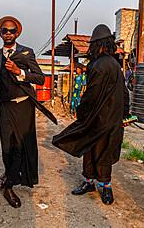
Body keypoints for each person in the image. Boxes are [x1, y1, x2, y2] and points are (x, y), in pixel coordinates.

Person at [52, 24, 130, 205]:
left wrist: (81, 113)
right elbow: (124, 92)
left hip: (99, 119)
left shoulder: (97, 65)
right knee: (100, 151)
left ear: (97, 44)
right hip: (111, 119)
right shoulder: (115, 65)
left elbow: (91, 95)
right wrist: (125, 114)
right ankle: (90, 184)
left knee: (97, 151)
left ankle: (106, 187)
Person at [0, 16, 45, 208]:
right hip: (5, 106)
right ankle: (8, 172)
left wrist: (20, 72)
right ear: (0, 33)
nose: (8, 33)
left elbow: (40, 78)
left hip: (23, 106)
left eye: (12, 30)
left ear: (17, 33)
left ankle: (9, 186)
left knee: (20, 147)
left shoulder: (26, 52)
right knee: (6, 147)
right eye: (5, 30)